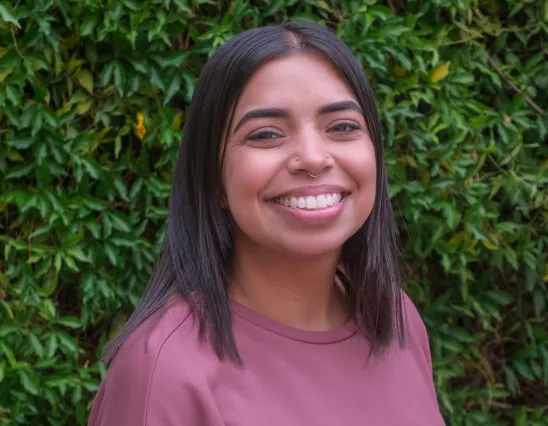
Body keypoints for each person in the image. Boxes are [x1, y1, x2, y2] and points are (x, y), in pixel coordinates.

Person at [87, 20, 445, 426]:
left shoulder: (395, 318)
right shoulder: (166, 371)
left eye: (342, 127)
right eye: (267, 134)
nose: (313, 158)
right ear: (213, 177)